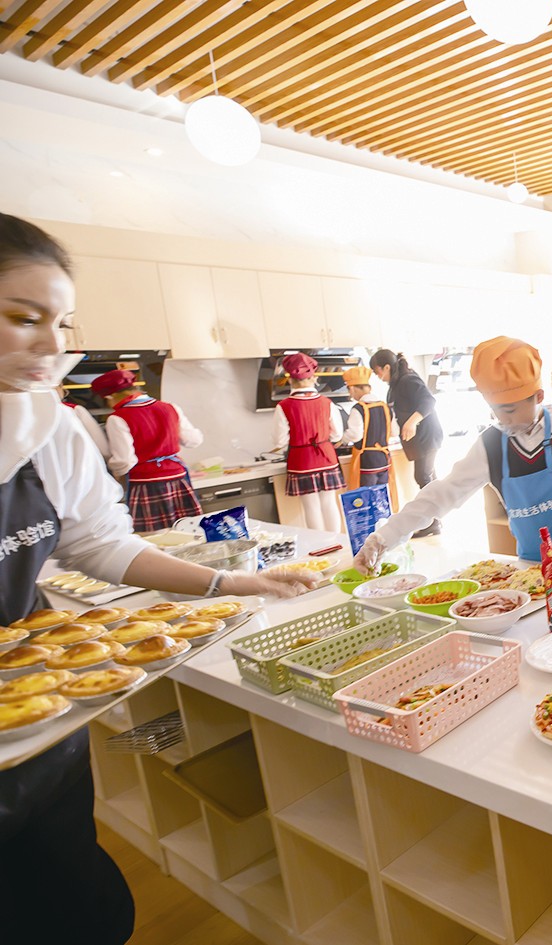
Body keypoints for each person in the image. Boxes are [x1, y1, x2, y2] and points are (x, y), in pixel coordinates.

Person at [0, 213, 316, 945]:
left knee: (81, 904)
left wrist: (231, 586)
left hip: (32, 713)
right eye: (22, 318)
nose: (53, 346)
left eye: (62, 323)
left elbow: (98, 544)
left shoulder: (48, 427)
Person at [355, 336, 552, 571]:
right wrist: (384, 537)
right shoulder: (492, 444)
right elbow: (442, 494)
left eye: (510, 410)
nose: (503, 420)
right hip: (536, 570)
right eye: (495, 410)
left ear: (538, 396)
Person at [93, 368, 204, 532]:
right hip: (177, 477)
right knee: (187, 531)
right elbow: (193, 440)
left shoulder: (118, 418)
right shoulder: (170, 407)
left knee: (154, 535)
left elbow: (125, 461)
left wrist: (111, 472)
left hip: (146, 483)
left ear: (111, 396)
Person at [371, 348, 444, 537]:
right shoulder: (395, 385)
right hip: (420, 440)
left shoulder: (408, 379)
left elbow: (429, 401)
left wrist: (412, 422)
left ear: (387, 367)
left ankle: (433, 523)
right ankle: (434, 521)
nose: (378, 376)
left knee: (423, 477)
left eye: (377, 371)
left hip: (427, 436)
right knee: (428, 478)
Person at [273, 352, 344, 533]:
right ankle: (337, 542)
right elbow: (337, 435)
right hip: (326, 456)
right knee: (329, 502)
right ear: (314, 378)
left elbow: (280, 441)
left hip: (301, 460)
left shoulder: (283, 406)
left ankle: (321, 545)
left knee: (310, 506)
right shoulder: (327, 402)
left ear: (290, 379)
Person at [339, 365, 396, 500]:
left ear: (352, 388)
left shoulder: (358, 408)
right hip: (384, 460)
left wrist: (342, 439)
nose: (350, 395)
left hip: (367, 461)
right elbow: (394, 432)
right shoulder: (385, 407)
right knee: (381, 499)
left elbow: (355, 434)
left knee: (366, 500)